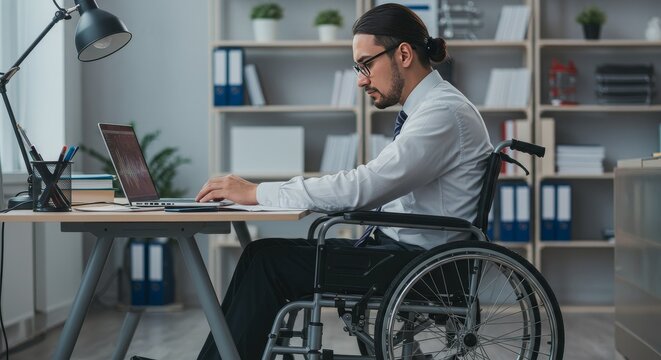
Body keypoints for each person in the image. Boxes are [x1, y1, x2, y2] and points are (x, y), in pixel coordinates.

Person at [195, 4, 493, 359]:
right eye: (358, 67)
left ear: (403, 54)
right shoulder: (431, 110)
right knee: (261, 253)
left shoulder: (443, 113)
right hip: (408, 255)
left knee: (268, 261)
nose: (361, 79)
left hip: (421, 265)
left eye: (366, 64)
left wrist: (256, 192)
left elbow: (363, 188)